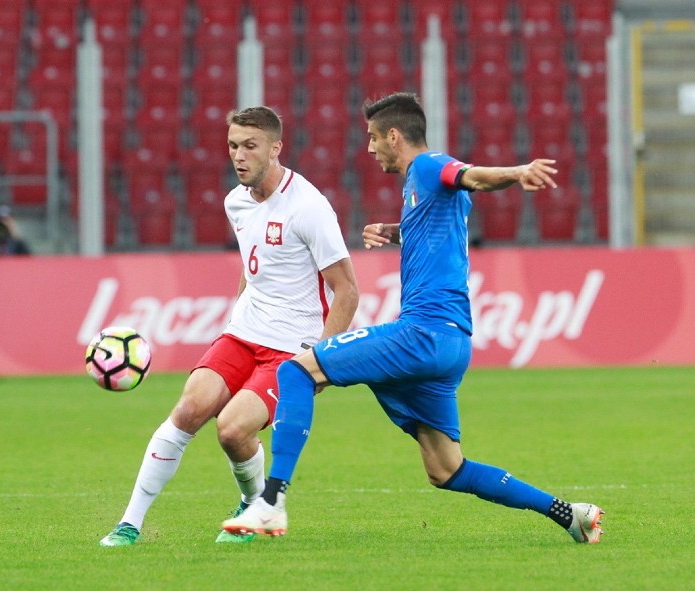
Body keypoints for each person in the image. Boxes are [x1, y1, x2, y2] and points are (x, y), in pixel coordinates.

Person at [223, 92, 605, 544]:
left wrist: (517, 173)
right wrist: (398, 230)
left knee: (296, 369)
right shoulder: (422, 192)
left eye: (372, 138)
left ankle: (269, 502)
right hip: (452, 343)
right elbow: (444, 223)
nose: (368, 149)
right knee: (447, 469)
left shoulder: (426, 166)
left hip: (422, 333)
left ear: (394, 135)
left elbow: (471, 177)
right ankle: (570, 514)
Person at [99, 106, 359, 546]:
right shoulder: (235, 201)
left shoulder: (309, 207)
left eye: (250, 146)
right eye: (234, 146)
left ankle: (254, 505)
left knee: (233, 431)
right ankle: (130, 523)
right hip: (243, 333)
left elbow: (347, 290)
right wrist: (237, 316)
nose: (239, 156)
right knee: (188, 409)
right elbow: (252, 265)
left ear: (276, 148)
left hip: (289, 348)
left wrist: (319, 361)